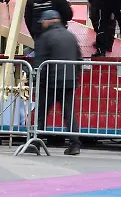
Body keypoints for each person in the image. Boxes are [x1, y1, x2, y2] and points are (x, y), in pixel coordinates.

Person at [34, 9, 83, 155]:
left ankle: (35, 142)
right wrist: (75, 77)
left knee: (41, 113)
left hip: (50, 82)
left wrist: (37, 81)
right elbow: (79, 59)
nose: (42, 24)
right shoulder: (71, 36)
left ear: (48, 21)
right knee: (69, 113)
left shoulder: (45, 37)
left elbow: (40, 62)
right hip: (69, 81)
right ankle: (75, 144)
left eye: (43, 21)